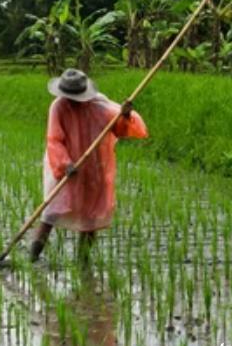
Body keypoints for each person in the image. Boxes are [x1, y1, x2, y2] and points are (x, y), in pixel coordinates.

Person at [29, 68, 148, 263]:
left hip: (94, 165)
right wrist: (65, 164)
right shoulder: (58, 107)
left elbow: (119, 129)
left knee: (91, 215)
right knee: (51, 211)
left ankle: (82, 260)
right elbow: (54, 140)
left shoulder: (99, 104)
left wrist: (125, 115)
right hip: (65, 167)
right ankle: (32, 255)